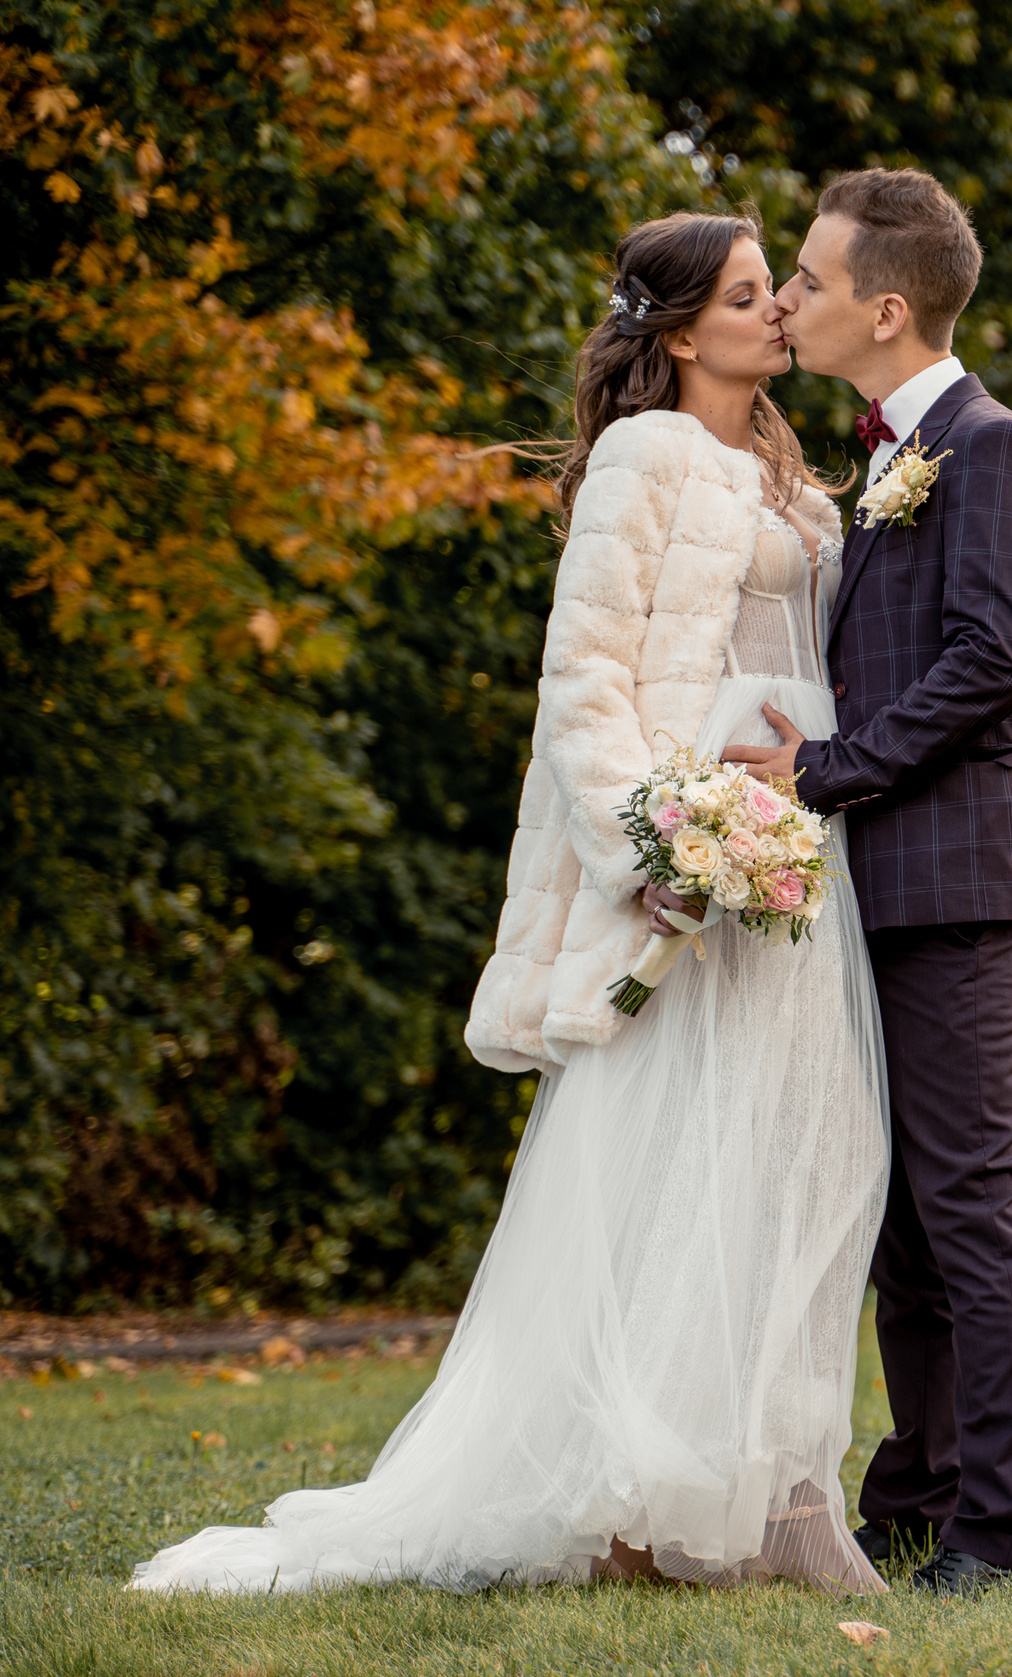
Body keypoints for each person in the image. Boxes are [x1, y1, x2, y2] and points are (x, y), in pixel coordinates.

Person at [130, 209, 894, 1597]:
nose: (778, 308)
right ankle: (625, 1502)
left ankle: (772, 1487)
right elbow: (585, 686)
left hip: (793, 857)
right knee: (670, 1174)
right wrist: (663, 845)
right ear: (676, 334)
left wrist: (784, 818)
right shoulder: (643, 459)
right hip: (689, 869)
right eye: (744, 293)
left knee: (799, 1163)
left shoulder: (794, 473)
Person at [723, 167, 1012, 1598]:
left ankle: (992, 1534)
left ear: (885, 306)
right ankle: (915, 1506)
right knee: (908, 1221)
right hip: (882, 884)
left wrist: (829, 770)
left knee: (973, 1204)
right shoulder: (880, 465)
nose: (785, 300)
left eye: (802, 280)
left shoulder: (994, 451)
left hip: (963, 885)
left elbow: (994, 663)